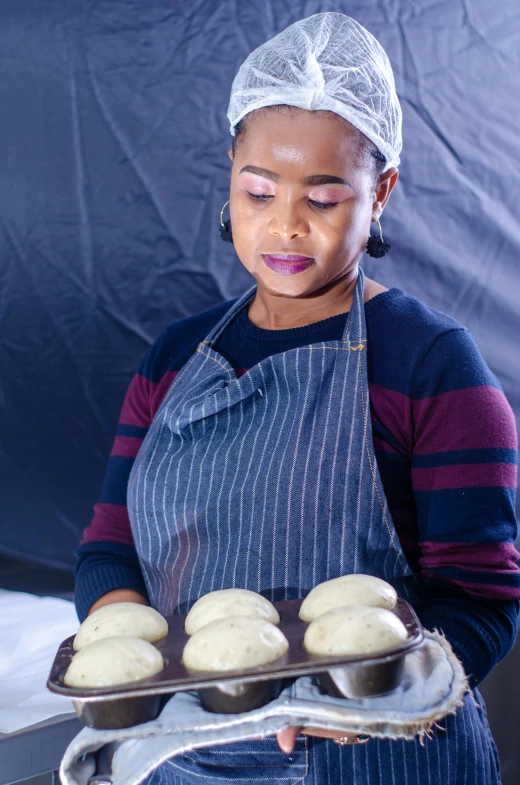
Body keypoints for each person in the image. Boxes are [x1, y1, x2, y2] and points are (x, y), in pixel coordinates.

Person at [74, 12, 520, 785]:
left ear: (379, 192)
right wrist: (132, 659)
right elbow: (110, 547)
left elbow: (482, 599)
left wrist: (366, 700)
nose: (283, 225)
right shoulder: (174, 359)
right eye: (258, 190)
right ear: (231, 174)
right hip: (187, 756)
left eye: (322, 198)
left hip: (381, 758)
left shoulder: (431, 363)